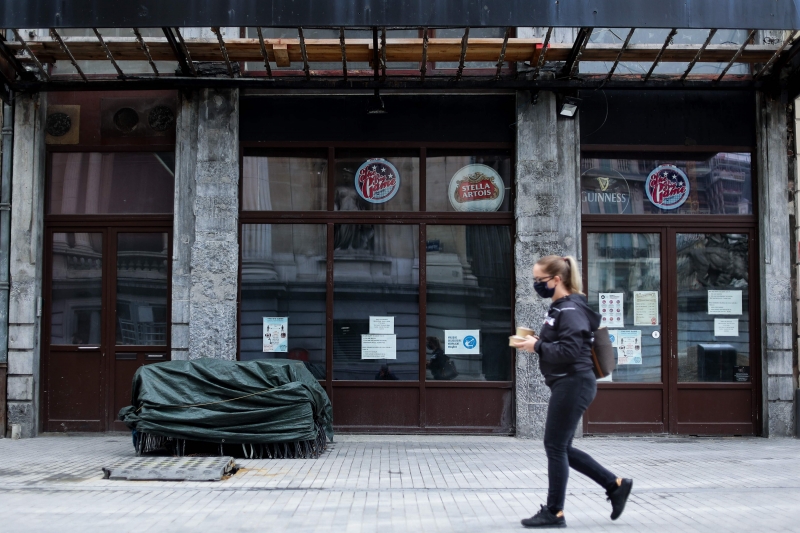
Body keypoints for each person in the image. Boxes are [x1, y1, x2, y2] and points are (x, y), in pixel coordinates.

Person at [513, 255, 632, 529]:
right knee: (561, 446)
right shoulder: (561, 308)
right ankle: (615, 485)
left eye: (539, 280)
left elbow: (568, 352)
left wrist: (537, 347)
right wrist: (535, 341)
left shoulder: (570, 311)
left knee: (555, 446)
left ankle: (555, 512)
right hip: (568, 382)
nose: (535, 284)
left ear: (556, 280)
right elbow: (565, 344)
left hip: (574, 382)